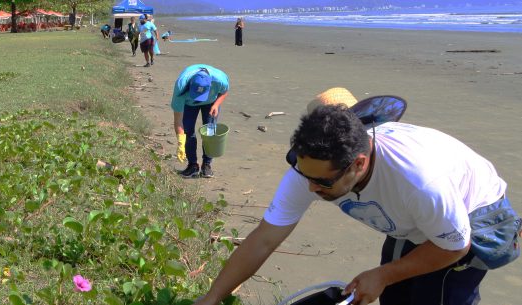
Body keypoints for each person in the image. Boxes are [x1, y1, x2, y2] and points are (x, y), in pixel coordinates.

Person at [193, 87, 520, 305]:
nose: (310, 188)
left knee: (436, 296)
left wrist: (382, 274)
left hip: (470, 218)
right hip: (413, 222)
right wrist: (210, 299)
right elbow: (264, 238)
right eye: (304, 175)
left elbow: (454, 245)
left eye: (322, 183)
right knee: (395, 295)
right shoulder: (312, 166)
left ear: (358, 164)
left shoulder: (419, 181)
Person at [172, 65, 229, 178]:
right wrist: (180, 143)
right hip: (189, 104)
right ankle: (193, 165)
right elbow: (178, 121)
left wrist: (216, 105)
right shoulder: (181, 86)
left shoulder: (219, 79)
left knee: (210, 132)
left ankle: (207, 165)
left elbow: (224, 92)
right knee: (187, 131)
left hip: (211, 103)